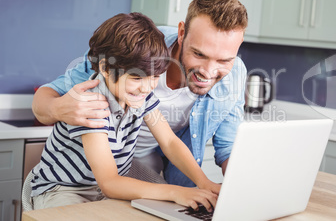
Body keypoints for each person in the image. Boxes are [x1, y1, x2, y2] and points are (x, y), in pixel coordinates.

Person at [32, 0, 248, 187]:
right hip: (85, 174)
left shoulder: (235, 75)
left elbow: (222, 148)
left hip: (140, 166)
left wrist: (234, 192)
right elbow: (45, 97)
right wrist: (59, 108)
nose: (208, 71)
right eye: (199, 54)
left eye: (224, 60)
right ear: (182, 33)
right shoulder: (139, 47)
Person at [30, 12, 220, 210]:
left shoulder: (140, 96)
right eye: (137, 78)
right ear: (105, 68)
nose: (147, 88)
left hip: (105, 190)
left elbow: (170, 142)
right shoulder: (92, 103)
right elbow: (110, 183)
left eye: (155, 77)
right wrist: (175, 191)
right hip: (65, 189)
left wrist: (205, 183)